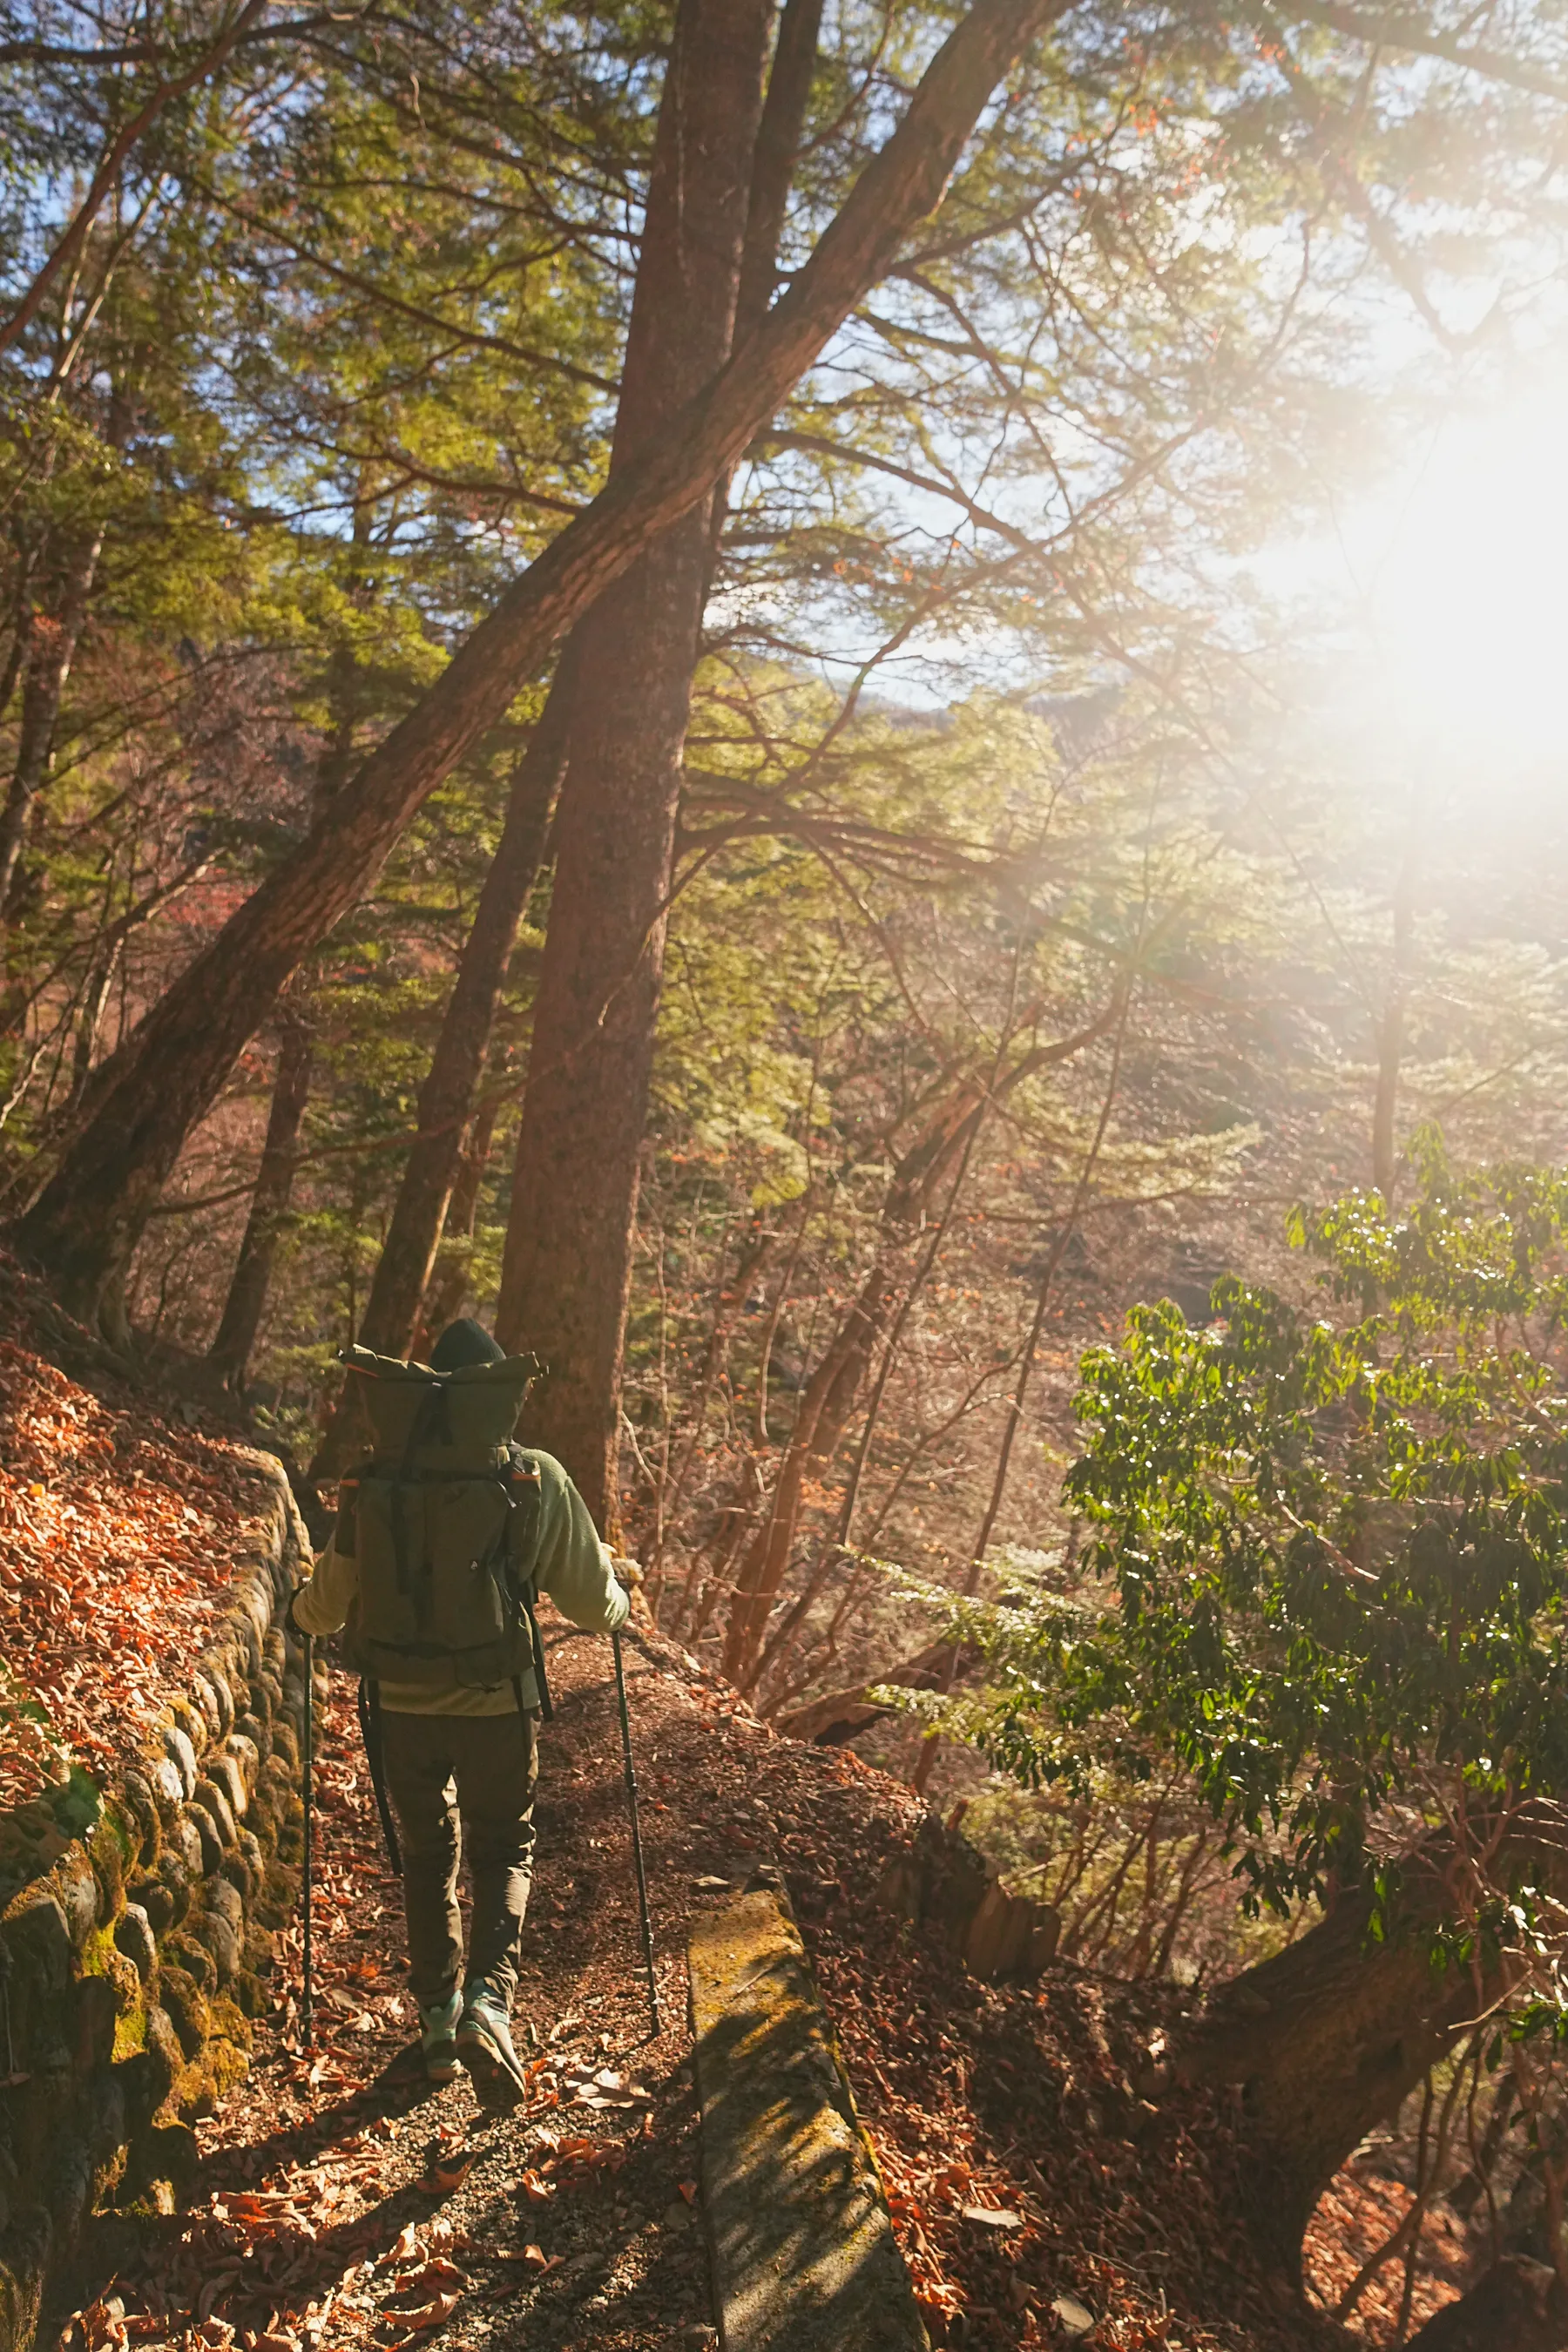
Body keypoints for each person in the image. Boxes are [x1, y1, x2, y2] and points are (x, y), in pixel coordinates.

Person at [287, 1316, 630, 2109]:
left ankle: (439, 2025)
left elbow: (328, 1606)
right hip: (496, 1706)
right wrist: (619, 1599)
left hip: (399, 1707)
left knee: (428, 1855)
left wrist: (300, 1616)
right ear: (495, 1399)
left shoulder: (375, 1481)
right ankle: (490, 2004)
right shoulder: (530, 1476)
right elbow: (589, 1601)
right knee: (504, 1849)